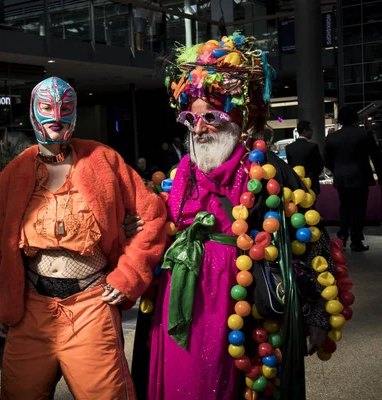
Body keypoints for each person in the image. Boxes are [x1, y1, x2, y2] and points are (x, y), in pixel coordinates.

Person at [133, 33, 343, 400]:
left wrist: (317, 315)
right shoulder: (179, 175)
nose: (198, 129)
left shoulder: (268, 172)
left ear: (237, 119)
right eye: (190, 119)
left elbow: (312, 241)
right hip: (178, 308)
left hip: (240, 311)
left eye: (210, 118)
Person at [0, 76, 167, 399]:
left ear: (75, 112)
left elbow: (152, 216)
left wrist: (127, 275)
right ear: (32, 111)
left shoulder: (104, 160)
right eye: (47, 108)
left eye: (65, 108)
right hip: (30, 312)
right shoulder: (14, 172)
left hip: (91, 309)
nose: (56, 117)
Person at [325, 107, 382, 251]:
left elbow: (327, 161)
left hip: (342, 178)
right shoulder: (365, 134)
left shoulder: (332, 137)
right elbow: (375, 157)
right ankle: (356, 240)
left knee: (344, 206)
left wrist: (337, 170)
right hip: (360, 176)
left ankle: (343, 234)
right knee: (359, 208)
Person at [286, 121, 324, 194]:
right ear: (305, 131)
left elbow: (290, 165)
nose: (312, 132)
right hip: (311, 182)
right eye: (310, 130)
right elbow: (319, 165)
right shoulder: (313, 146)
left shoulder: (289, 148)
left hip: (296, 183)